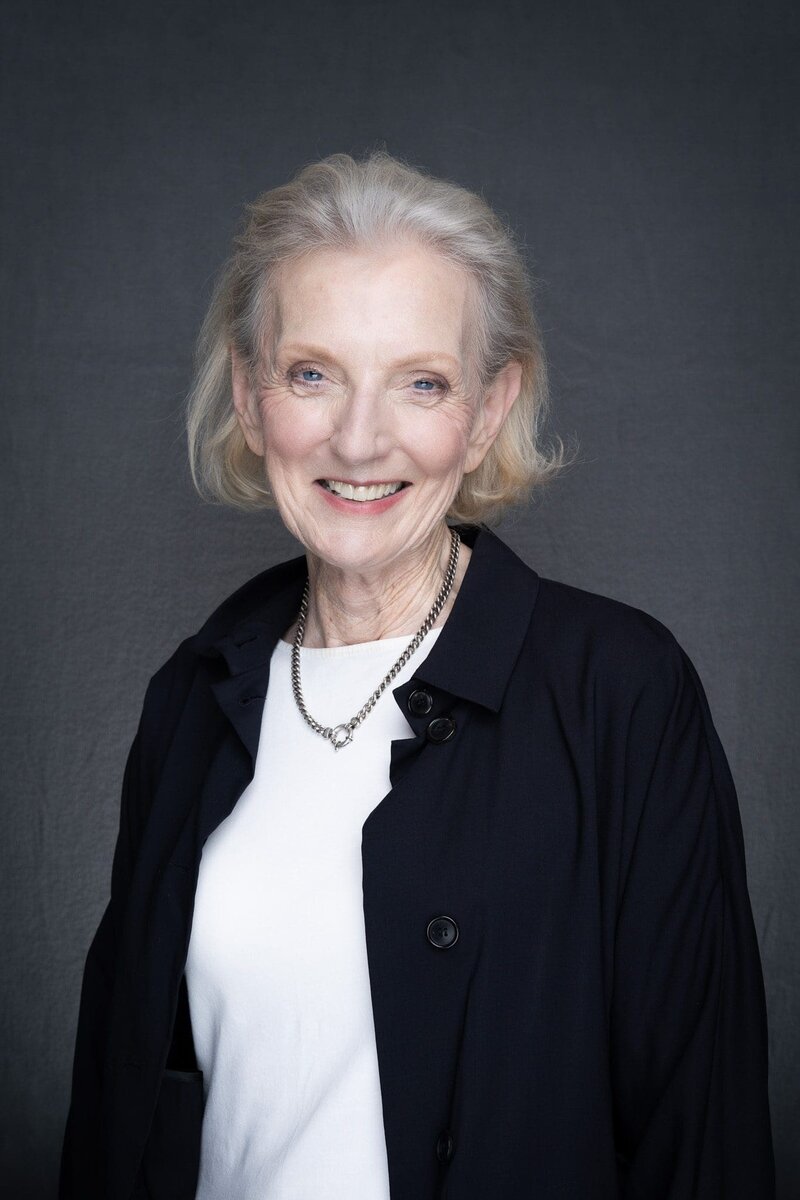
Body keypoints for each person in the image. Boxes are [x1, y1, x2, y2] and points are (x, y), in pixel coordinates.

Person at [59, 150, 775, 1200]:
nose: (358, 438)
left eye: (420, 382)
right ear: (252, 400)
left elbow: (698, 1136)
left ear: (487, 411)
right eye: (312, 374)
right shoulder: (194, 695)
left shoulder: (620, 692)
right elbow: (116, 1111)